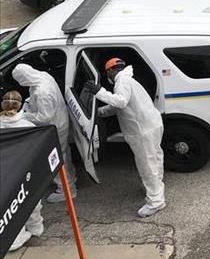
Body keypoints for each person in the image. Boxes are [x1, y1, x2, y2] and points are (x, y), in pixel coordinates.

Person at [85, 58, 165, 218]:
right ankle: (156, 187)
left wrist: (99, 91)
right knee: (155, 158)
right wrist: (99, 112)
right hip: (152, 124)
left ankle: (156, 201)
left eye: (107, 72)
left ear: (110, 71)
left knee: (146, 164)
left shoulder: (122, 81)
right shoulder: (129, 80)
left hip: (142, 129)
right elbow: (120, 106)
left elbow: (120, 102)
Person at [12, 64, 77, 203]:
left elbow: (44, 117)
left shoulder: (42, 92)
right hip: (59, 120)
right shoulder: (42, 76)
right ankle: (70, 181)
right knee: (64, 152)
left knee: (56, 157)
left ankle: (67, 190)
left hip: (54, 126)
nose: (20, 83)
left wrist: (23, 116)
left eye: (20, 80)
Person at [1, 91, 45, 251]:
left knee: (11, 203)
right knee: (32, 199)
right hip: (25, 169)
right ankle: (35, 228)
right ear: (20, 106)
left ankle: (15, 236)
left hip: (5, 171)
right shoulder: (27, 126)